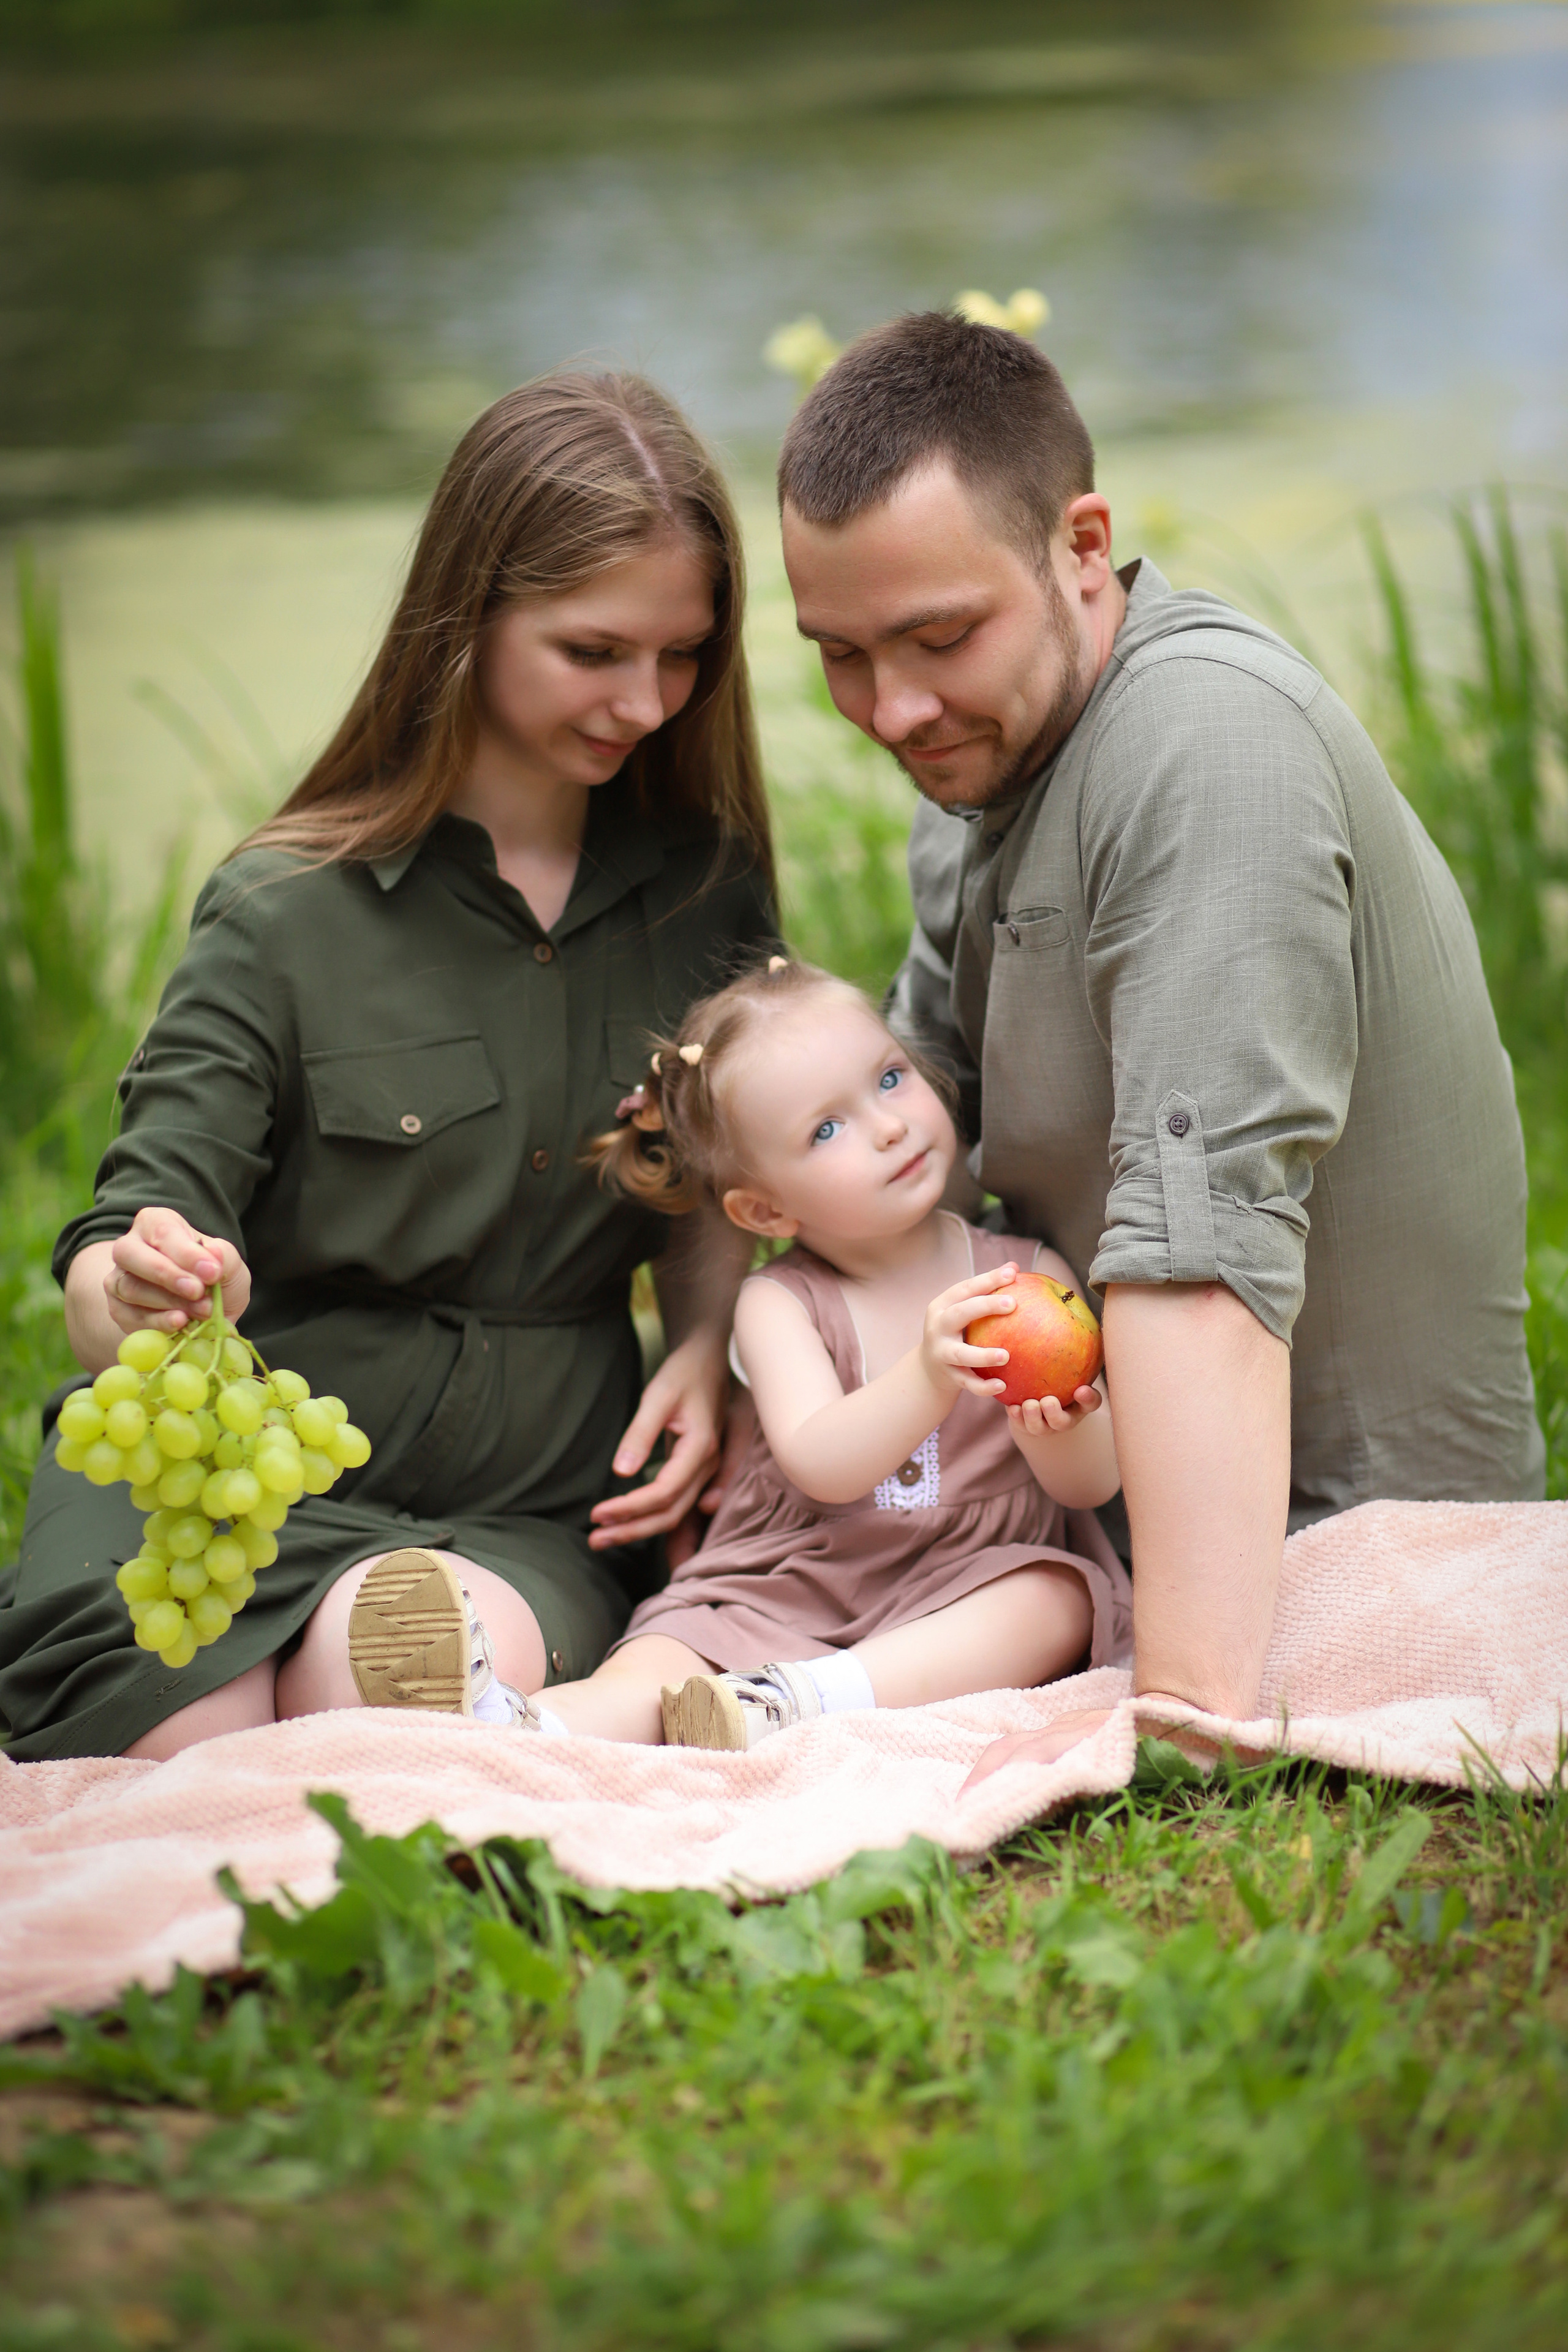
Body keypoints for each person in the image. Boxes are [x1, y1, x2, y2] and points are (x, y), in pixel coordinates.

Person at [772, 311, 1545, 1777]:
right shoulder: (987, 755)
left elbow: (1202, 1258)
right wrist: (729, 1334)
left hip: (1337, 1555)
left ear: (1081, 545)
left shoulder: (1204, 750)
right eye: (842, 657)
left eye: (939, 637)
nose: (893, 710)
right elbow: (923, 1137)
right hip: (1063, 1503)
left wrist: (1184, 1725)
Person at [0, 370, 778, 1764]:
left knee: (412, 1672)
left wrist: (711, 1342)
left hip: (532, 1508)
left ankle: (376, 1683)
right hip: (225, 1486)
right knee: (188, 1735)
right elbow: (123, 1233)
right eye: (592, 650)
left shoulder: (705, 894)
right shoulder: (282, 911)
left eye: (681, 656)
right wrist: (144, 1289)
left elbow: (717, 1182)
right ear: (465, 620)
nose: (647, 703)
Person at [417, 955, 1131, 1749]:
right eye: (828, 1130)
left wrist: (1059, 1425)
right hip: (792, 1577)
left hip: (970, 1579)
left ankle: (800, 1700)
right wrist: (930, 1375)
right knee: (666, 1656)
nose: (889, 1125)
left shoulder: (1027, 1275)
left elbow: (1091, 1484)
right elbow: (823, 1462)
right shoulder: (778, 1302)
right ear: (765, 1209)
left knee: (1054, 1599)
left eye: (890, 1079)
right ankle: (530, 1724)